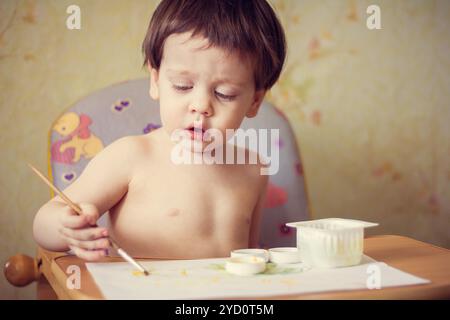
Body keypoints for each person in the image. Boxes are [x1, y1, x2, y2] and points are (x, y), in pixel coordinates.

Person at [33, 0, 286, 261]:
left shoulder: (253, 168)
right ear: (155, 81)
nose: (200, 106)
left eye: (225, 94)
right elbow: (44, 222)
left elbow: (251, 257)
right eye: (182, 86)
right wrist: (67, 228)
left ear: (254, 101)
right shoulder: (131, 156)